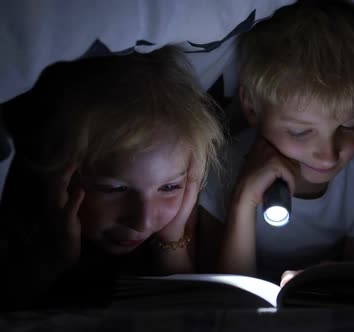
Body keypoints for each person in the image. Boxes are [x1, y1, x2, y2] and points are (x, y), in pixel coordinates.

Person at [0, 46, 224, 308]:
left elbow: (184, 316)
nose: (143, 220)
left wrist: (172, 239)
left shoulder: (177, 222)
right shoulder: (14, 223)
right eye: (115, 189)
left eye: (169, 186)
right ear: (61, 175)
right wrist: (52, 261)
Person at [198, 0, 354, 283]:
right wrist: (243, 201)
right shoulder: (219, 167)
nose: (328, 156)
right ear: (251, 108)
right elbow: (224, 295)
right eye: (300, 132)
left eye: (349, 126)